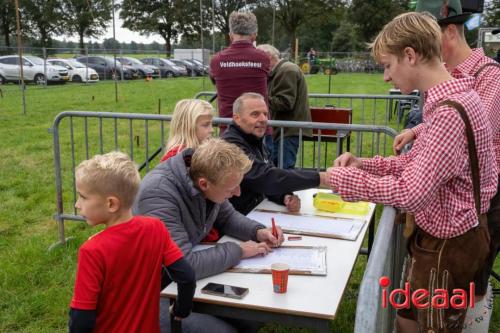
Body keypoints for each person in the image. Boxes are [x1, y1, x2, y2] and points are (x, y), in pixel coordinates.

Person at [327, 12, 497, 333]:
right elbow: (413, 163)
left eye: (388, 65)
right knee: (406, 317)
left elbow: (411, 192)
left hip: (448, 245)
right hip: (443, 239)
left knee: (433, 326)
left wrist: (349, 181)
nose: (386, 77)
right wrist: (365, 164)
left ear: (410, 55)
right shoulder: (450, 98)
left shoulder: (449, 112)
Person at [392, 0, 500, 302]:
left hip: (483, 196)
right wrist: (416, 131)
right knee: (446, 286)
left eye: (428, 34)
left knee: (472, 283)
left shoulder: (489, 74)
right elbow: (445, 125)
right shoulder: (450, 75)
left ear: (449, 31)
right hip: (457, 190)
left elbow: (467, 132)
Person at [69, 152, 195, 333]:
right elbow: (186, 276)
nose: (77, 204)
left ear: (111, 204)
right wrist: (180, 310)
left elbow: (82, 318)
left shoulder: (92, 250)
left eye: (83, 197)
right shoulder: (156, 228)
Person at [222, 92, 330, 215]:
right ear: (237, 119)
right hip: (235, 220)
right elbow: (264, 177)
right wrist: (320, 178)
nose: (263, 119)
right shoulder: (230, 145)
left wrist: (284, 197)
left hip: (255, 213)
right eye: (255, 114)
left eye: (265, 114)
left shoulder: (254, 139)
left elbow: (269, 177)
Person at [209, 11, 270, 135]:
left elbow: (214, 80)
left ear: (231, 36)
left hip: (229, 129)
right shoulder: (263, 58)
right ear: (254, 36)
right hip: (258, 129)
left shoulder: (216, 60)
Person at [257, 44, 312, 169]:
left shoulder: (287, 70)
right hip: (283, 130)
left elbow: (285, 103)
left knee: (284, 171)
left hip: (287, 130)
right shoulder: (280, 71)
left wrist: (259, 100)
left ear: (268, 57)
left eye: (258, 61)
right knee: (277, 170)